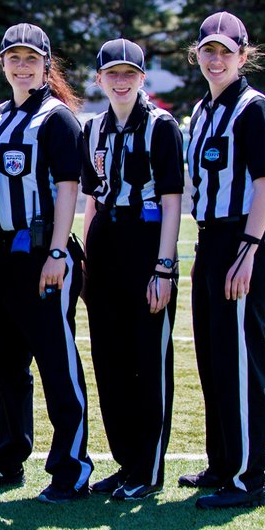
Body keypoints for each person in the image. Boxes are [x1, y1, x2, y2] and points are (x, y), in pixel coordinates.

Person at [0, 23, 94, 504]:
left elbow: (69, 189)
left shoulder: (57, 118)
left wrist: (59, 251)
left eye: (31, 59)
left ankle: (72, 465)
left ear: (47, 63)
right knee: (6, 365)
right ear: (2, 63)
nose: (22, 66)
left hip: (42, 252)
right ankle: (7, 454)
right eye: (13, 58)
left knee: (56, 363)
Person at [181, 11, 265, 509]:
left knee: (242, 363)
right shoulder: (202, 110)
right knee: (214, 360)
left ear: (244, 56)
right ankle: (223, 463)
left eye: (226, 51)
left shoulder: (252, 108)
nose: (216, 58)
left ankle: (249, 479)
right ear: (197, 54)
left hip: (244, 242)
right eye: (208, 50)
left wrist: (247, 250)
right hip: (210, 242)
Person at [80, 38, 184, 501]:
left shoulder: (161, 126)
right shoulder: (93, 129)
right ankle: (124, 462)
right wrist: (85, 256)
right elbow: (92, 197)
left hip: (146, 242)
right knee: (110, 358)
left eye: (129, 74)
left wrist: (163, 266)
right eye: (112, 74)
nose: (120, 82)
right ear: (99, 78)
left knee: (148, 359)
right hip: (106, 241)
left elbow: (172, 199)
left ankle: (148, 467)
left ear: (143, 79)